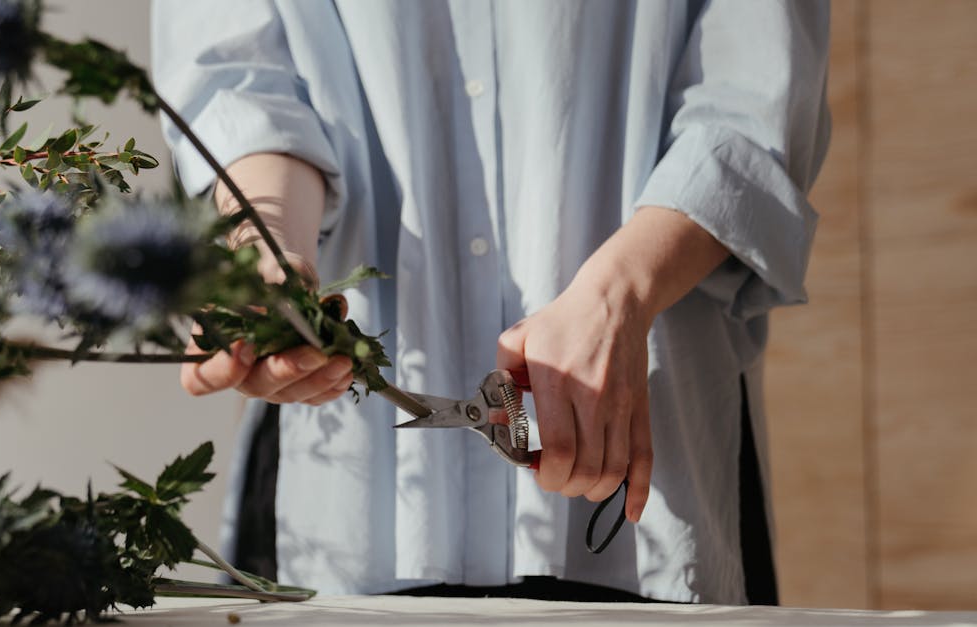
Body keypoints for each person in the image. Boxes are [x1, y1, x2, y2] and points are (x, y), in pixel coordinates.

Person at [152, 0, 830, 605]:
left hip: (642, 501)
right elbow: (241, 81)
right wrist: (265, 248)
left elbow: (754, 94)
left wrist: (621, 294)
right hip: (347, 510)